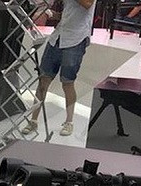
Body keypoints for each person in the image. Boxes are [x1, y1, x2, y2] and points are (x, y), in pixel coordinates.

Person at [23, 0, 96, 137]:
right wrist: (51, 13)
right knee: (43, 80)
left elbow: (87, 4)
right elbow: (68, 13)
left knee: (67, 82)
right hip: (57, 37)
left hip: (76, 39)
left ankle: (69, 122)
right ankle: (33, 120)